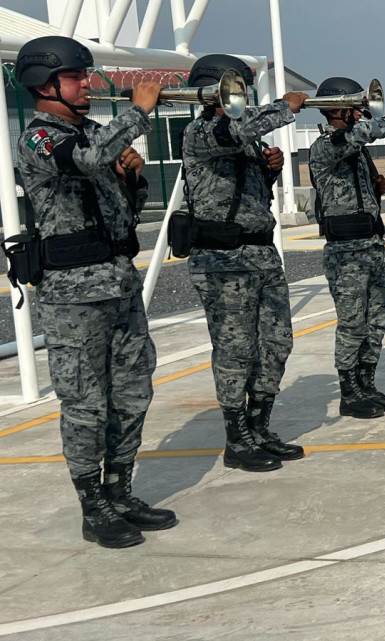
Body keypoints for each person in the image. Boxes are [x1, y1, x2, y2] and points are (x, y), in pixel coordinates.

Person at [15, 35, 175, 548]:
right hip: (73, 296)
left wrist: (132, 176)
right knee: (85, 403)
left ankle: (120, 490)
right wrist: (138, 113)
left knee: (132, 392)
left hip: (119, 283)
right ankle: (93, 507)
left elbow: (120, 207)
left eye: (86, 75)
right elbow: (82, 160)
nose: (87, 82)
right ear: (45, 82)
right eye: (76, 76)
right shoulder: (40, 137)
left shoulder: (95, 134)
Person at [181, 54, 308, 472]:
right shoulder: (200, 131)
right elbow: (234, 132)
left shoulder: (243, 139)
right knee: (236, 350)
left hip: (260, 253)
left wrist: (268, 172)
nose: (241, 96)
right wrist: (283, 108)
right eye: (233, 88)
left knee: (276, 342)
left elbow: (247, 198)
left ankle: (259, 427)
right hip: (224, 259)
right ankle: (237, 440)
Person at [308, 77, 385, 418]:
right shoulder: (325, 144)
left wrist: (376, 189)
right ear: (338, 110)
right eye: (354, 106)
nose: (360, 112)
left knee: (377, 321)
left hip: (372, 245)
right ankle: (349, 393)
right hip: (346, 251)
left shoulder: (358, 153)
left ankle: (367, 384)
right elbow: (351, 139)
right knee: (352, 325)